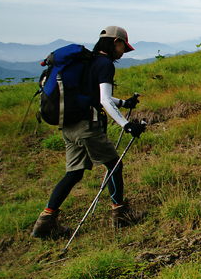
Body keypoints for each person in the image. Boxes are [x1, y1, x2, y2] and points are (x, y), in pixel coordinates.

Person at [31, 26, 147, 239]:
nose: (123, 52)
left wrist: (123, 102)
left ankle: (45, 221)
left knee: (74, 173)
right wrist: (126, 124)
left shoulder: (88, 61)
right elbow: (103, 100)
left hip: (69, 126)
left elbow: (94, 96)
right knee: (114, 165)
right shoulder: (104, 64)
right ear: (115, 42)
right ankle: (119, 216)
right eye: (123, 46)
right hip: (87, 126)